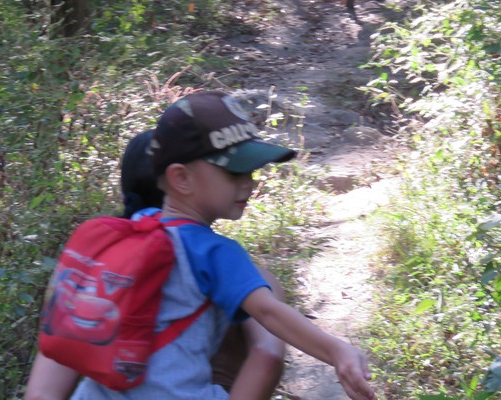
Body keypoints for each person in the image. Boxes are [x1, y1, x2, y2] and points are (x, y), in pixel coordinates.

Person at [66, 91, 375, 400]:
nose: (249, 183)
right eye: (234, 172)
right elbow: (269, 313)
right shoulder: (213, 251)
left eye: (251, 171)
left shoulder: (127, 232)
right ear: (181, 178)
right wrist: (338, 351)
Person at [23, 126, 288, 400]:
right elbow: (268, 353)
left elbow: (42, 395)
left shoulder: (94, 271)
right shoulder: (247, 277)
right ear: (183, 183)